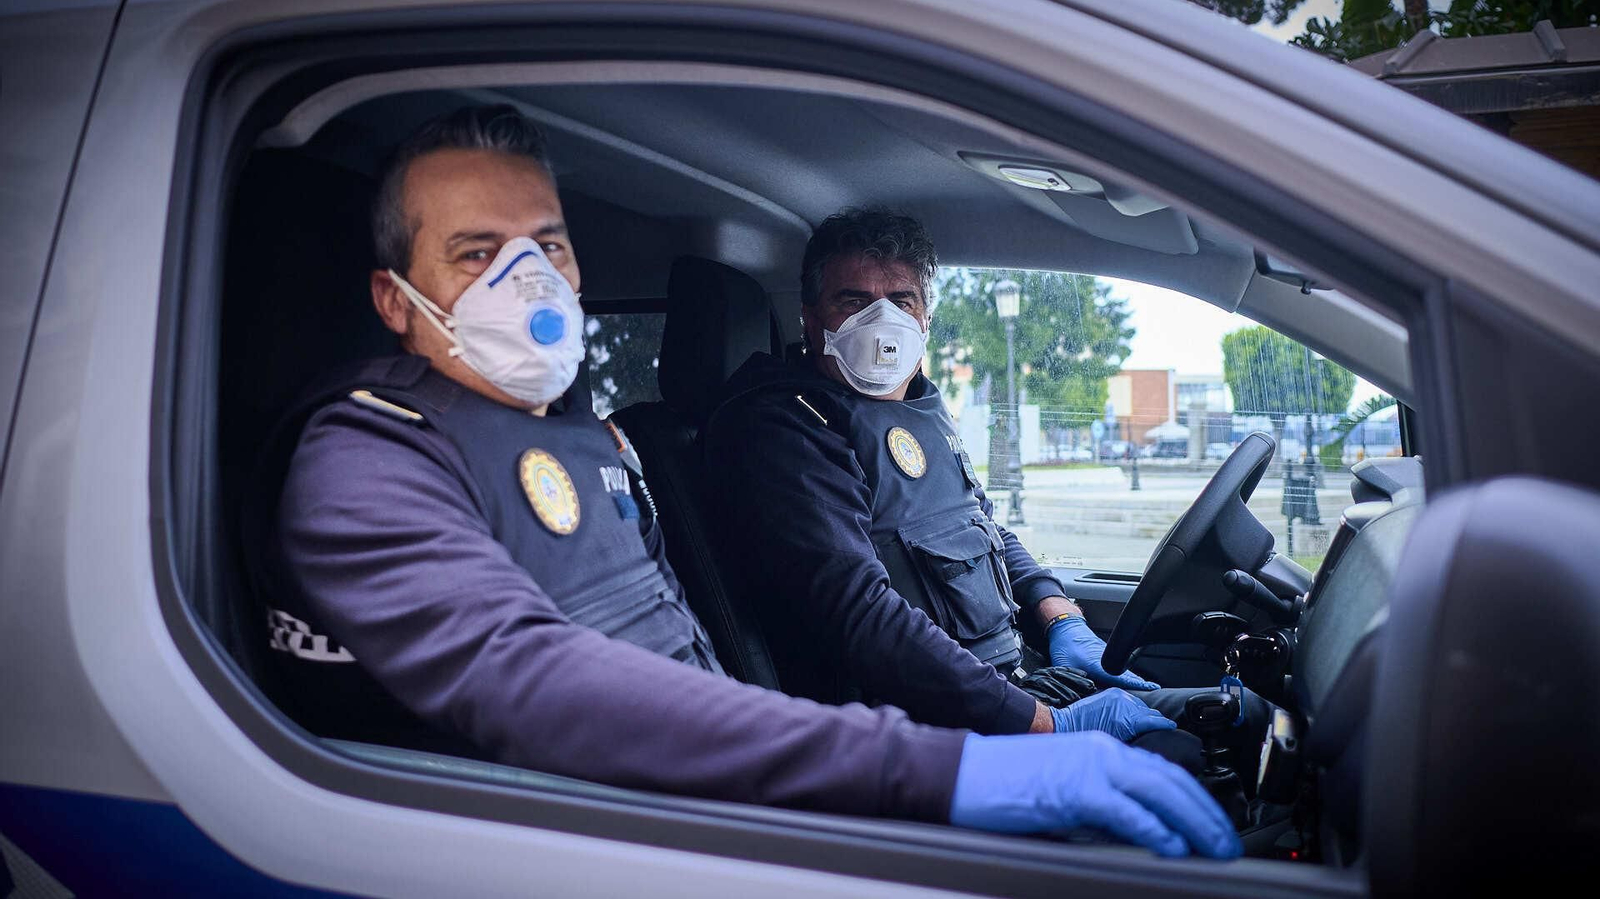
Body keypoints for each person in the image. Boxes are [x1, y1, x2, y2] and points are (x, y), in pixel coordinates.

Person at [253, 104, 1239, 859]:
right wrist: (951, 762)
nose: (528, 280)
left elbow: (688, 662)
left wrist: (1059, 628)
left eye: (544, 245)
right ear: (395, 296)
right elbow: (536, 680)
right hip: (581, 844)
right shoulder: (364, 461)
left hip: (708, 805)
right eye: (478, 253)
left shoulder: (591, 444)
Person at [703, 209, 1268, 765]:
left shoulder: (920, 405)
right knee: (1191, 760)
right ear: (810, 318)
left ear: (924, 319)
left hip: (1014, 684)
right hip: (922, 727)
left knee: (1244, 717)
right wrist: (1045, 725)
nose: (880, 322)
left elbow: (983, 524)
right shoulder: (788, 427)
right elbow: (859, 615)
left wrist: (1061, 617)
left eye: (900, 301)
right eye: (852, 301)